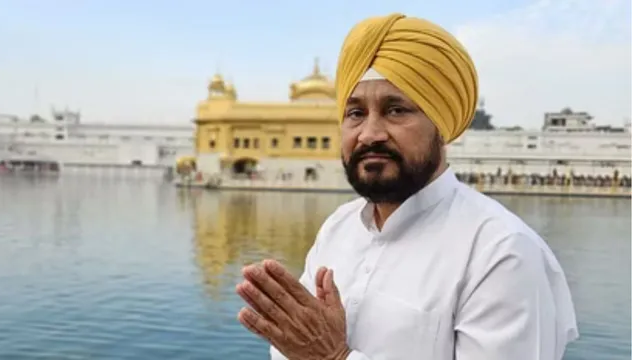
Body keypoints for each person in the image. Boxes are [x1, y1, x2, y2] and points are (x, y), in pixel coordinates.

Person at [235, 13, 579, 360]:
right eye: (355, 113)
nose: (369, 134)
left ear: (442, 126)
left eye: (396, 110)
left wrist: (335, 357)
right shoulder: (339, 229)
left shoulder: (501, 253)